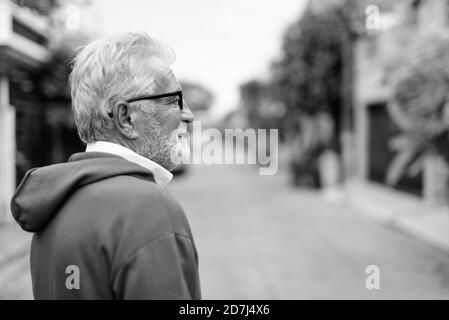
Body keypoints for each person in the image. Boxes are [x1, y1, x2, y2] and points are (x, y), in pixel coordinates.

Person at [10, 32, 201, 300]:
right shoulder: (147, 207)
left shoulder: (52, 204)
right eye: (173, 100)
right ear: (126, 118)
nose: (188, 115)